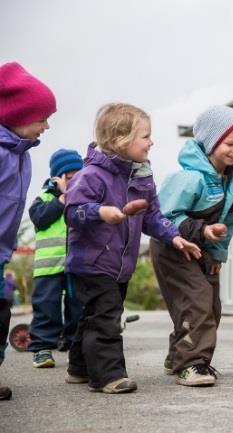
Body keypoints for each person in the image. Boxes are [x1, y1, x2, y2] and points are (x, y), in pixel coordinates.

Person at [63, 103, 201, 394]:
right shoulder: (91, 176)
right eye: (146, 136)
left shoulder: (142, 176)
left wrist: (174, 237)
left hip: (120, 265)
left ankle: (79, 367)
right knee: (107, 318)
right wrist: (101, 212)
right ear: (119, 140)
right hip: (92, 263)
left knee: (93, 315)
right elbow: (72, 213)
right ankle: (107, 376)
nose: (152, 142)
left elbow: (152, 216)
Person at [151, 105, 233, 387]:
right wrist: (202, 229)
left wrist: (216, 253)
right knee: (197, 301)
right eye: (229, 144)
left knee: (211, 306)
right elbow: (164, 216)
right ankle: (192, 364)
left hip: (203, 249)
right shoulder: (189, 178)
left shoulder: (231, 182)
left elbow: (228, 224)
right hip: (173, 246)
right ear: (210, 141)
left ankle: (178, 356)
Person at [0, 61, 57, 401]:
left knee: (1, 312)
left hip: (2, 251)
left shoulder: (22, 154)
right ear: (17, 114)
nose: (47, 125)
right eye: (41, 118)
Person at [28, 149, 84, 368]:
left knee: (77, 308)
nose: (75, 181)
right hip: (48, 268)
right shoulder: (43, 199)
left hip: (76, 266)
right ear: (57, 178)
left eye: (79, 176)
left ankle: (74, 346)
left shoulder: (83, 198)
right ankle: (42, 348)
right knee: (46, 308)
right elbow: (40, 219)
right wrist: (62, 198)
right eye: (69, 177)